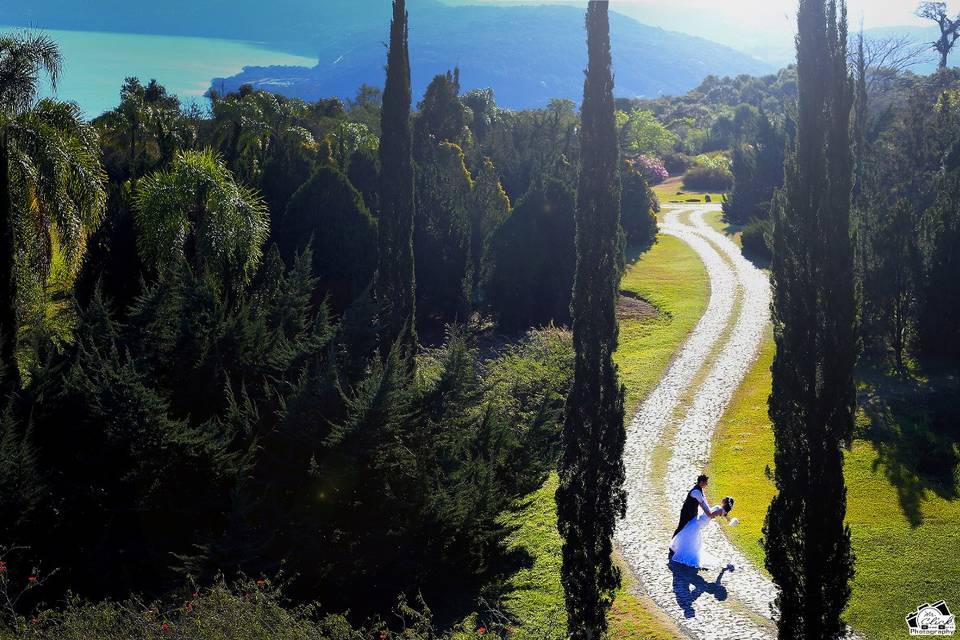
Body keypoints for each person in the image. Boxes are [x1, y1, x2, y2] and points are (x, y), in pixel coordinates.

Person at [669, 496, 736, 570]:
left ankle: (683, 551)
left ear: (725, 502)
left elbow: (710, 514)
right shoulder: (722, 510)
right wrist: (730, 520)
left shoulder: (720, 510)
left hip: (701, 521)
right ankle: (681, 549)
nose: (722, 499)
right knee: (688, 535)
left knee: (688, 534)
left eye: (724, 499)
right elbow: (725, 516)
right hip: (701, 520)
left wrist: (703, 505)